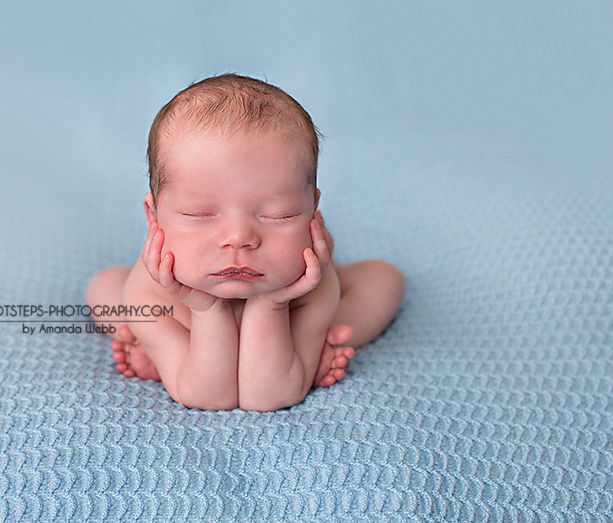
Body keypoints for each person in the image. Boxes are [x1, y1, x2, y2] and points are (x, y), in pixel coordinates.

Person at [86, 74, 404, 411]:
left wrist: (274, 303)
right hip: (177, 310)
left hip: (290, 301)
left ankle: (323, 340)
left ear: (313, 211)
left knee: (385, 279)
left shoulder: (313, 285)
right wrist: (205, 308)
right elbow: (209, 396)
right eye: (199, 214)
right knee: (106, 287)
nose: (239, 237)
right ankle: (162, 348)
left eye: (278, 214)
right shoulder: (150, 291)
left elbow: (267, 396)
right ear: (154, 219)